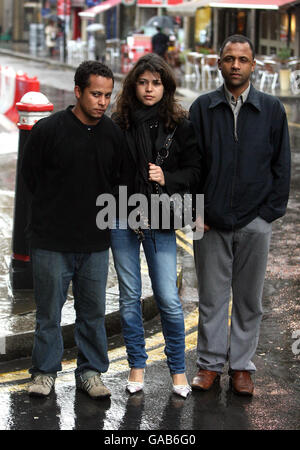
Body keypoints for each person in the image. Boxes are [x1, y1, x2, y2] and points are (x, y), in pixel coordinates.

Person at [189, 35, 291, 396]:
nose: (235, 65)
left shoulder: (271, 109)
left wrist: (268, 215)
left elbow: (282, 166)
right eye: (229, 58)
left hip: (254, 222)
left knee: (249, 300)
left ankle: (242, 367)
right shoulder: (202, 108)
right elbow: (192, 166)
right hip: (210, 222)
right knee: (212, 299)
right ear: (219, 64)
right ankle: (209, 365)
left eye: (242, 59)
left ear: (252, 65)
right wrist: (195, 212)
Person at [21, 61, 123, 399]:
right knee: (48, 314)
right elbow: (31, 178)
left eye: (107, 95)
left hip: (94, 242)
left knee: (92, 315)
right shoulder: (48, 131)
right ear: (78, 91)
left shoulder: (113, 135)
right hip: (51, 241)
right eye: (95, 94)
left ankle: (91, 372)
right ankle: (44, 373)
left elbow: (117, 182)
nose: (102, 102)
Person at [111, 53, 201, 398]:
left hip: (161, 215)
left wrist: (167, 176)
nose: (149, 89)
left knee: (167, 296)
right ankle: (137, 364)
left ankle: (178, 369)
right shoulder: (119, 123)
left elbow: (195, 171)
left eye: (156, 83)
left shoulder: (180, 124)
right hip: (120, 213)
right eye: (143, 82)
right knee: (130, 296)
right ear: (134, 85)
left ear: (166, 86)